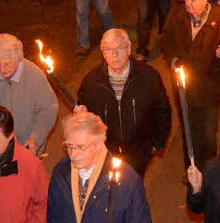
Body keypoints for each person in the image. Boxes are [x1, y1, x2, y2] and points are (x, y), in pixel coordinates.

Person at [161, 0, 220, 169]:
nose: (189, 3)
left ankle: (209, 171)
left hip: (208, 88)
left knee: (206, 134)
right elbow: (166, 40)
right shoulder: (176, 14)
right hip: (184, 87)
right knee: (189, 131)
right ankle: (192, 169)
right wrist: (173, 61)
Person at [74, 29, 172, 178]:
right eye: (109, 50)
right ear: (103, 54)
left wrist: (155, 145)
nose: (115, 55)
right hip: (104, 152)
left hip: (138, 153)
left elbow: (163, 111)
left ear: (128, 49)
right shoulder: (91, 81)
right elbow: (84, 114)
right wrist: (81, 118)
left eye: (119, 48)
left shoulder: (148, 77)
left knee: (132, 192)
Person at [0, 33, 58, 155]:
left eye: (7, 64)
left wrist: (35, 138)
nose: (2, 69)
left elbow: (48, 109)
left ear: (18, 59)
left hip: (24, 145)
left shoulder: (35, 75)